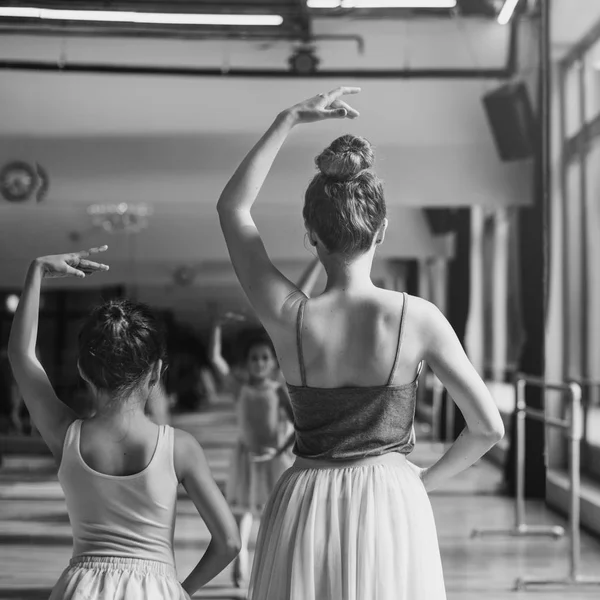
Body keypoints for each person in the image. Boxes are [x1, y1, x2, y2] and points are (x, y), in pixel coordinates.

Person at [216, 87, 505, 600]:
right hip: (391, 497)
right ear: (382, 231)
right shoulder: (419, 318)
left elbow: (233, 208)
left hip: (305, 498)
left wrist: (288, 119)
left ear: (312, 235)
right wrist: (419, 482)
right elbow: (486, 428)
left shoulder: (290, 318)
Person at [7, 246, 240, 600]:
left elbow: (21, 356)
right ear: (157, 372)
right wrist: (179, 590)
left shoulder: (66, 436)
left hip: (80, 590)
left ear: (83, 370)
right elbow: (229, 542)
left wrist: (36, 271)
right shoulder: (180, 448)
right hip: (155, 589)